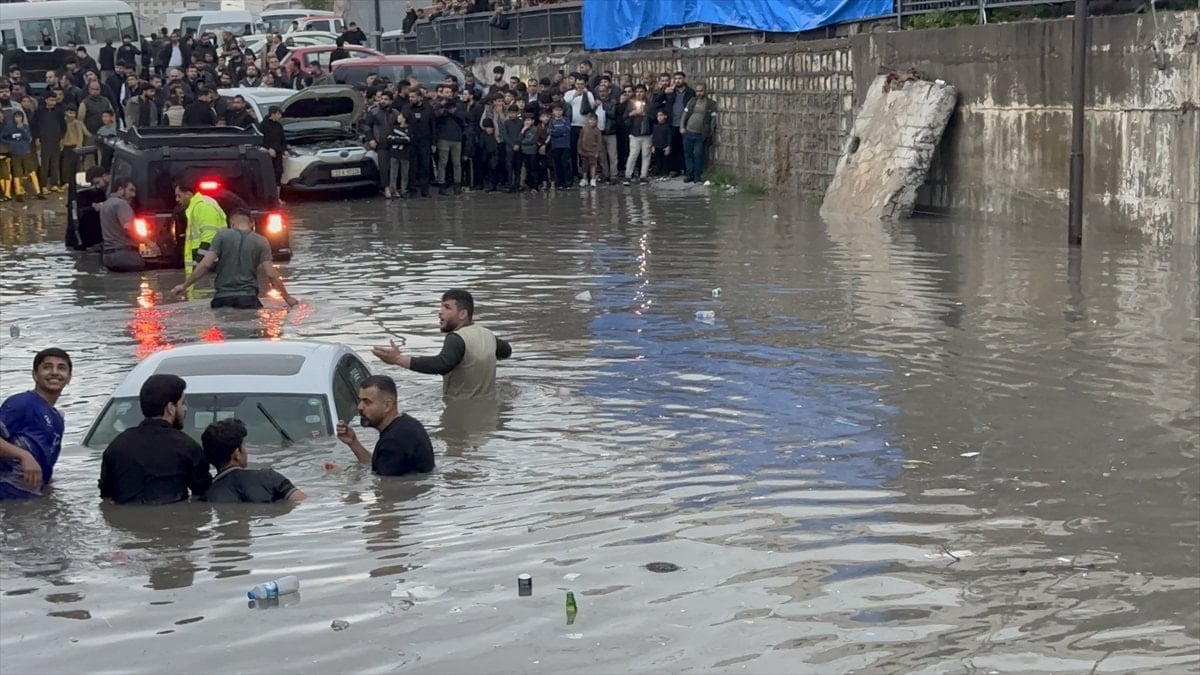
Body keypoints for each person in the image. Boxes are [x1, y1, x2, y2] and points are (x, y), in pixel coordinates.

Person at [372, 289, 512, 400]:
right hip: (488, 413)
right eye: (441, 307)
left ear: (462, 314)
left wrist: (398, 359)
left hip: (460, 411)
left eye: (447, 307)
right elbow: (506, 351)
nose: (440, 312)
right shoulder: (487, 335)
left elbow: (441, 364)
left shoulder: (456, 338)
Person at [98, 374, 212, 505]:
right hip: (174, 515)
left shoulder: (116, 446)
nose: (185, 408)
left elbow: (106, 495)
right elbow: (203, 493)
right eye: (182, 403)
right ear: (170, 408)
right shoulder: (188, 447)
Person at [170, 209, 299, 309]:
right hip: (248, 299)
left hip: (221, 299)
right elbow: (271, 274)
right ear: (252, 224)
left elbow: (205, 264)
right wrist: (287, 298)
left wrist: (184, 285)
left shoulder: (221, 236)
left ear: (231, 223)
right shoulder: (261, 241)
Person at [0, 348, 72, 499]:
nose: (54, 372)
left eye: (61, 368)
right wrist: (23, 455)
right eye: (47, 367)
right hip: (7, 494)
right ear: (35, 375)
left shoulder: (58, 418)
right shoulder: (21, 403)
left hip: (31, 497)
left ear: (68, 378)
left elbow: (45, 461)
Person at [335, 375, 433, 476]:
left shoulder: (394, 441)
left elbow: (383, 483)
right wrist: (353, 443)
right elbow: (379, 465)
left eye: (367, 402)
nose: (360, 407)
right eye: (360, 401)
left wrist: (342, 476)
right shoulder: (407, 424)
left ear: (387, 405)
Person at [200, 419, 306, 503]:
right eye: (244, 446)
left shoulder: (207, 495)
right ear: (237, 453)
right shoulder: (269, 477)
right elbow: (301, 502)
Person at [176, 180, 227, 275]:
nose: (177, 200)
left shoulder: (203, 206)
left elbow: (209, 238)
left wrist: (199, 265)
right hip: (208, 266)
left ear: (188, 194)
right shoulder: (196, 208)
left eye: (179, 196)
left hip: (210, 268)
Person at [99, 178, 146, 272]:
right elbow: (129, 229)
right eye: (131, 190)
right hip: (125, 256)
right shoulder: (122, 204)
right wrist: (149, 243)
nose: (133, 195)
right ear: (120, 190)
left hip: (107, 257)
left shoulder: (105, 204)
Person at [680, 83, 717, 183]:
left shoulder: (711, 104)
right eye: (697, 91)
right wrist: (682, 126)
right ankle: (690, 175)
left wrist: (710, 132)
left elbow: (713, 119)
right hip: (688, 131)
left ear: (705, 91)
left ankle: (697, 176)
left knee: (698, 154)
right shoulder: (692, 101)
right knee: (688, 154)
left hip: (700, 134)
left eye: (701, 91)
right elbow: (685, 114)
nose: (699, 93)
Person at [577, 112, 602, 188]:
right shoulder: (584, 128)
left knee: (593, 165)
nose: (592, 121)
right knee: (584, 166)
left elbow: (599, 142)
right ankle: (584, 179)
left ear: (596, 121)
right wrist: (579, 148)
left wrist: (597, 151)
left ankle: (593, 179)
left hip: (593, 151)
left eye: (594, 120)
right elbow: (580, 139)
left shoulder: (597, 130)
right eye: (590, 120)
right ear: (587, 120)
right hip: (584, 151)